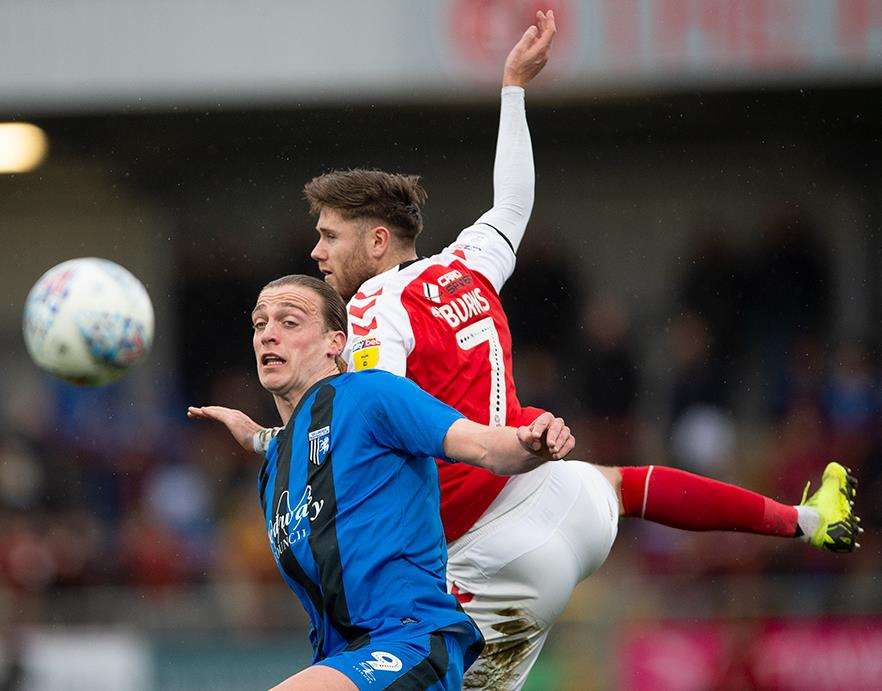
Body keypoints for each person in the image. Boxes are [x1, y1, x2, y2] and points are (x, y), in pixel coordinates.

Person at [207, 11, 861, 690]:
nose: (316, 252)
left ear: (377, 243)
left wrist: (274, 443)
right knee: (622, 482)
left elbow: (368, 418)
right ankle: (807, 517)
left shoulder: (375, 307)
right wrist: (514, 89)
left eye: (329, 236)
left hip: (470, 558)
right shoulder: (467, 264)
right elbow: (513, 200)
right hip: (554, 501)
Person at [189, 274, 576, 690]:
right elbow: (291, 438)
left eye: (289, 322)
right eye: (259, 323)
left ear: (334, 343)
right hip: (345, 660)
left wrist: (530, 442)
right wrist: (254, 437)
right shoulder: (275, 468)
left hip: (411, 645)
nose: (268, 335)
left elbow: (482, 446)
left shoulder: (372, 395)